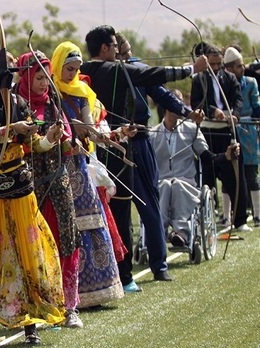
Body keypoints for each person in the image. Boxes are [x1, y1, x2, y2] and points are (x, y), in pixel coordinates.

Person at [80, 25, 208, 283]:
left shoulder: (85, 71)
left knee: (133, 204)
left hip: (111, 147)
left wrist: (186, 112)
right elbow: (152, 74)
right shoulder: (114, 70)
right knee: (124, 205)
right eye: (118, 48)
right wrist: (189, 70)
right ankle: (124, 271)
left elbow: (159, 91)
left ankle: (153, 265)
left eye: (125, 51)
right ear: (106, 48)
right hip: (120, 145)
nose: (122, 54)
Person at [0, 49, 66, 346]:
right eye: (5, 66)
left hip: (19, 185)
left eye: (11, 66)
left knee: (27, 251)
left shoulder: (19, 102)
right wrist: (13, 129)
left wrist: (49, 138)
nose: (12, 71)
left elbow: (33, 142)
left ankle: (30, 321)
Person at [49, 42, 125, 307]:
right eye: (68, 69)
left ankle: (97, 289)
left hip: (79, 167)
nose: (72, 74)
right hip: (56, 165)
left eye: (76, 69)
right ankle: (68, 295)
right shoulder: (48, 91)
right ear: (58, 65)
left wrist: (109, 136)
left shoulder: (82, 92)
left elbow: (88, 126)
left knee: (91, 223)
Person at [13, 49, 83, 326]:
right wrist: (44, 138)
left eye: (46, 77)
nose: (43, 82)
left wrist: (70, 143)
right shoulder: (16, 104)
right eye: (38, 77)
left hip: (58, 184)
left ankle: (71, 307)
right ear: (27, 76)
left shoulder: (54, 102)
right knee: (35, 245)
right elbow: (17, 144)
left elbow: (65, 141)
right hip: (30, 188)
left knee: (67, 239)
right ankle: (42, 305)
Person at [151, 89, 240, 245]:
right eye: (177, 102)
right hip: (161, 184)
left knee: (177, 184)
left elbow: (207, 157)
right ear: (166, 106)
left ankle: (181, 233)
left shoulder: (192, 129)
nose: (183, 106)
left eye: (182, 102)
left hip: (187, 184)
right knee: (165, 185)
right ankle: (159, 231)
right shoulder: (152, 134)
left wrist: (226, 156)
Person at [190, 44, 249, 232]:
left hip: (227, 131)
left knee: (235, 175)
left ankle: (239, 220)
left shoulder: (230, 78)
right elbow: (196, 103)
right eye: (212, 64)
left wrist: (235, 115)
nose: (215, 68)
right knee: (207, 175)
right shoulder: (199, 80)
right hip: (208, 132)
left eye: (218, 63)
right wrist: (212, 111)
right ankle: (208, 218)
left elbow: (238, 100)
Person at [223, 46, 260, 227]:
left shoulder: (251, 82)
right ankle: (226, 215)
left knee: (251, 173)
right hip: (229, 129)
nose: (242, 68)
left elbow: (256, 105)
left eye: (242, 64)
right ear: (229, 68)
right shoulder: (225, 82)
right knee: (230, 173)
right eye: (238, 66)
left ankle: (258, 214)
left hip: (248, 131)